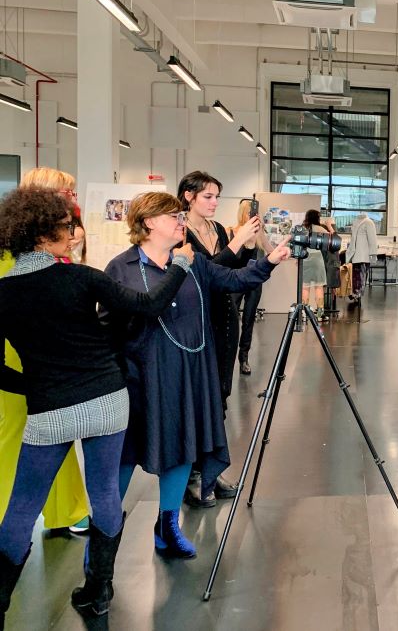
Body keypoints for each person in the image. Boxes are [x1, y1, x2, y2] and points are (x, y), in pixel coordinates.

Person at [0, 187, 192, 622]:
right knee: (105, 492)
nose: (73, 234)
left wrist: (32, 384)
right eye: (67, 227)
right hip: (107, 399)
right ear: (43, 233)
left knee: (22, 506)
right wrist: (180, 266)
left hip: (48, 408)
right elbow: (147, 305)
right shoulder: (81, 278)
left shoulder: (4, 294)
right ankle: (98, 591)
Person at [104, 192, 290, 559]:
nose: (180, 220)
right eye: (172, 215)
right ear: (148, 223)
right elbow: (108, 326)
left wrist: (269, 260)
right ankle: (104, 540)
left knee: (182, 449)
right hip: (139, 378)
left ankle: (167, 528)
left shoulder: (194, 263)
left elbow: (236, 279)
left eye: (179, 215)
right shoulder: (121, 268)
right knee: (123, 456)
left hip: (188, 373)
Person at [0, 167, 90, 538]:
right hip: (15, 351)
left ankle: (66, 508)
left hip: (48, 350)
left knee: (56, 427)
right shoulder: (9, 254)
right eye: (65, 194)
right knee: (12, 432)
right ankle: (8, 512)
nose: (72, 199)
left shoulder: (54, 243)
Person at [177, 171, 261, 505]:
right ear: (188, 196)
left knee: (220, 398)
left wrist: (249, 247)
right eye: (207, 196)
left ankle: (210, 470)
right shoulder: (179, 232)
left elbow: (231, 274)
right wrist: (238, 242)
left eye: (216, 197)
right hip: (195, 323)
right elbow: (206, 273)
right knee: (198, 399)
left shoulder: (219, 230)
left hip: (225, 320)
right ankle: (193, 475)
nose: (213, 203)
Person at [229, 199, 275, 376]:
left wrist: (262, 233)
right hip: (235, 281)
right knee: (231, 319)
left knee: (248, 320)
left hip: (253, 283)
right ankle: (229, 357)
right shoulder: (232, 231)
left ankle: (244, 358)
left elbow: (271, 251)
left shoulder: (258, 233)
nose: (254, 215)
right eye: (251, 212)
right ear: (243, 213)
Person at [300, 209, 331, 320]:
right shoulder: (320, 229)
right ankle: (319, 314)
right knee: (319, 286)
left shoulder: (302, 229)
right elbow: (332, 239)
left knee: (305, 286)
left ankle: (303, 313)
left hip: (305, 257)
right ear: (316, 218)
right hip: (317, 258)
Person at [346, 211, 377, 303]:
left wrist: (373, 254)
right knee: (356, 276)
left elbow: (372, 240)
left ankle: (357, 294)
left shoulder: (367, 222)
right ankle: (355, 293)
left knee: (360, 277)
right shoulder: (357, 222)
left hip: (361, 256)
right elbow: (354, 239)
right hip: (356, 255)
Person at [321, 216, 341, 313]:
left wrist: (329, 226)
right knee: (326, 284)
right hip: (329, 263)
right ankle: (324, 308)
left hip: (331, 263)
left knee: (329, 284)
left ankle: (326, 308)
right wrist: (329, 226)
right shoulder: (328, 238)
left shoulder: (328, 238)